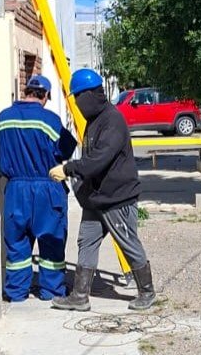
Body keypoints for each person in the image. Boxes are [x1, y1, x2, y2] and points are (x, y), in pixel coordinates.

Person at [48, 68, 156, 312]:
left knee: (128, 243)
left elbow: (99, 159)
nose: (76, 103)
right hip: (97, 198)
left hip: (117, 198)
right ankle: (79, 295)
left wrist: (68, 169)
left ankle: (147, 292)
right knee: (86, 242)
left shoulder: (112, 120)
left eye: (77, 97)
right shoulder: (95, 120)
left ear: (88, 95)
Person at [0, 74, 77, 301]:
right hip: (47, 186)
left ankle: (16, 292)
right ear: (45, 96)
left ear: (26, 92)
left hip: (15, 189)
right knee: (51, 242)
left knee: (17, 244)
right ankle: (51, 291)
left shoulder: (2, 119)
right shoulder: (50, 120)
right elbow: (66, 150)